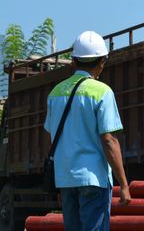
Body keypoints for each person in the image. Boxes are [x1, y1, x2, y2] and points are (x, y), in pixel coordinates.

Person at [44, 31, 131, 231]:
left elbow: (50, 137)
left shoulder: (55, 93)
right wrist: (124, 185)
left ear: (73, 61)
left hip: (65, 178)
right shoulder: (102, 92)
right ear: (102, 62)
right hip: (93, 179)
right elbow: (109, 140)